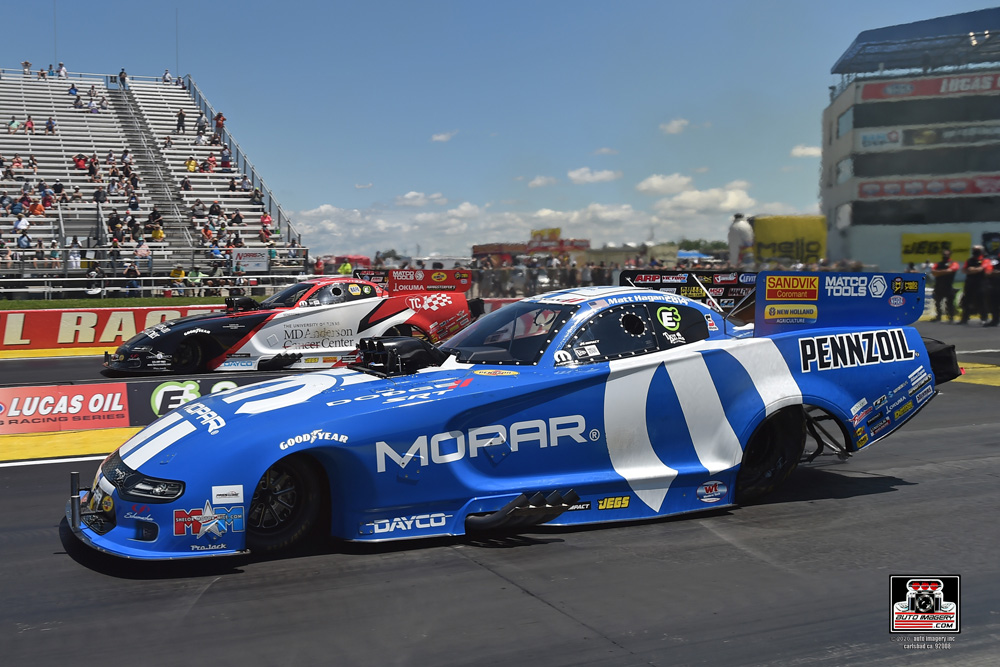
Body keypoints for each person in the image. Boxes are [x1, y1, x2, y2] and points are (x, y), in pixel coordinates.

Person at [960, 245, 993, 325]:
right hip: (970, 284)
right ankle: (964, 318)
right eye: (974, 250)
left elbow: (981, 269)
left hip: (981, 284)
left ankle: (984, 318)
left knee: (981, 301)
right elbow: (964, 270)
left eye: (977, 250)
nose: (975, 251)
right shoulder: (969, 260)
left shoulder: (985, 260)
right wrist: (972, 270)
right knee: (966, 301)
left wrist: (971, 269)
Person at [931, 249, 961, 322]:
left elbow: (951, 270)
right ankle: (938, 316)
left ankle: (951, 317)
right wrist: (945, 272)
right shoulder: (938, 264)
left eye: (947, 254)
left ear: (949, 255)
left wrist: (939, 272)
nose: (945, 256)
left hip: (948, 286)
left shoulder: (953, 263)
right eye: (944, 254)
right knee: (937, 302)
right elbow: (933, 272)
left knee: (950, 303)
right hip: (939, 286)